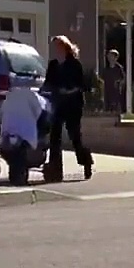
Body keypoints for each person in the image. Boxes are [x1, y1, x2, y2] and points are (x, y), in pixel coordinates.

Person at [43, 35, 94, 180]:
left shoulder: (74, 64)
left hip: (73, 104)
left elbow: (82, 85)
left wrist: (69, 90)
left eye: (58, 46)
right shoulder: (53, 65)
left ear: (65, 47)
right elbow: (48, 82)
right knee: (55, 137)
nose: (56, 49)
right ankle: (55, 169)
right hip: (58, 104)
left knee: (74, 136)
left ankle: (86, 162)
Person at [102, 49, 125, 114]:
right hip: (107, 90)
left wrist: (118, 82)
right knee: (108, 106)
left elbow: (123, 78)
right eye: (108, 56)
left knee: (116, 106)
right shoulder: (106, 69)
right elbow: (103, 78)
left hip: (116, 91)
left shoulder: (119, 68)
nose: (109, 58)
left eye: (111, 56)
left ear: (115, 57)